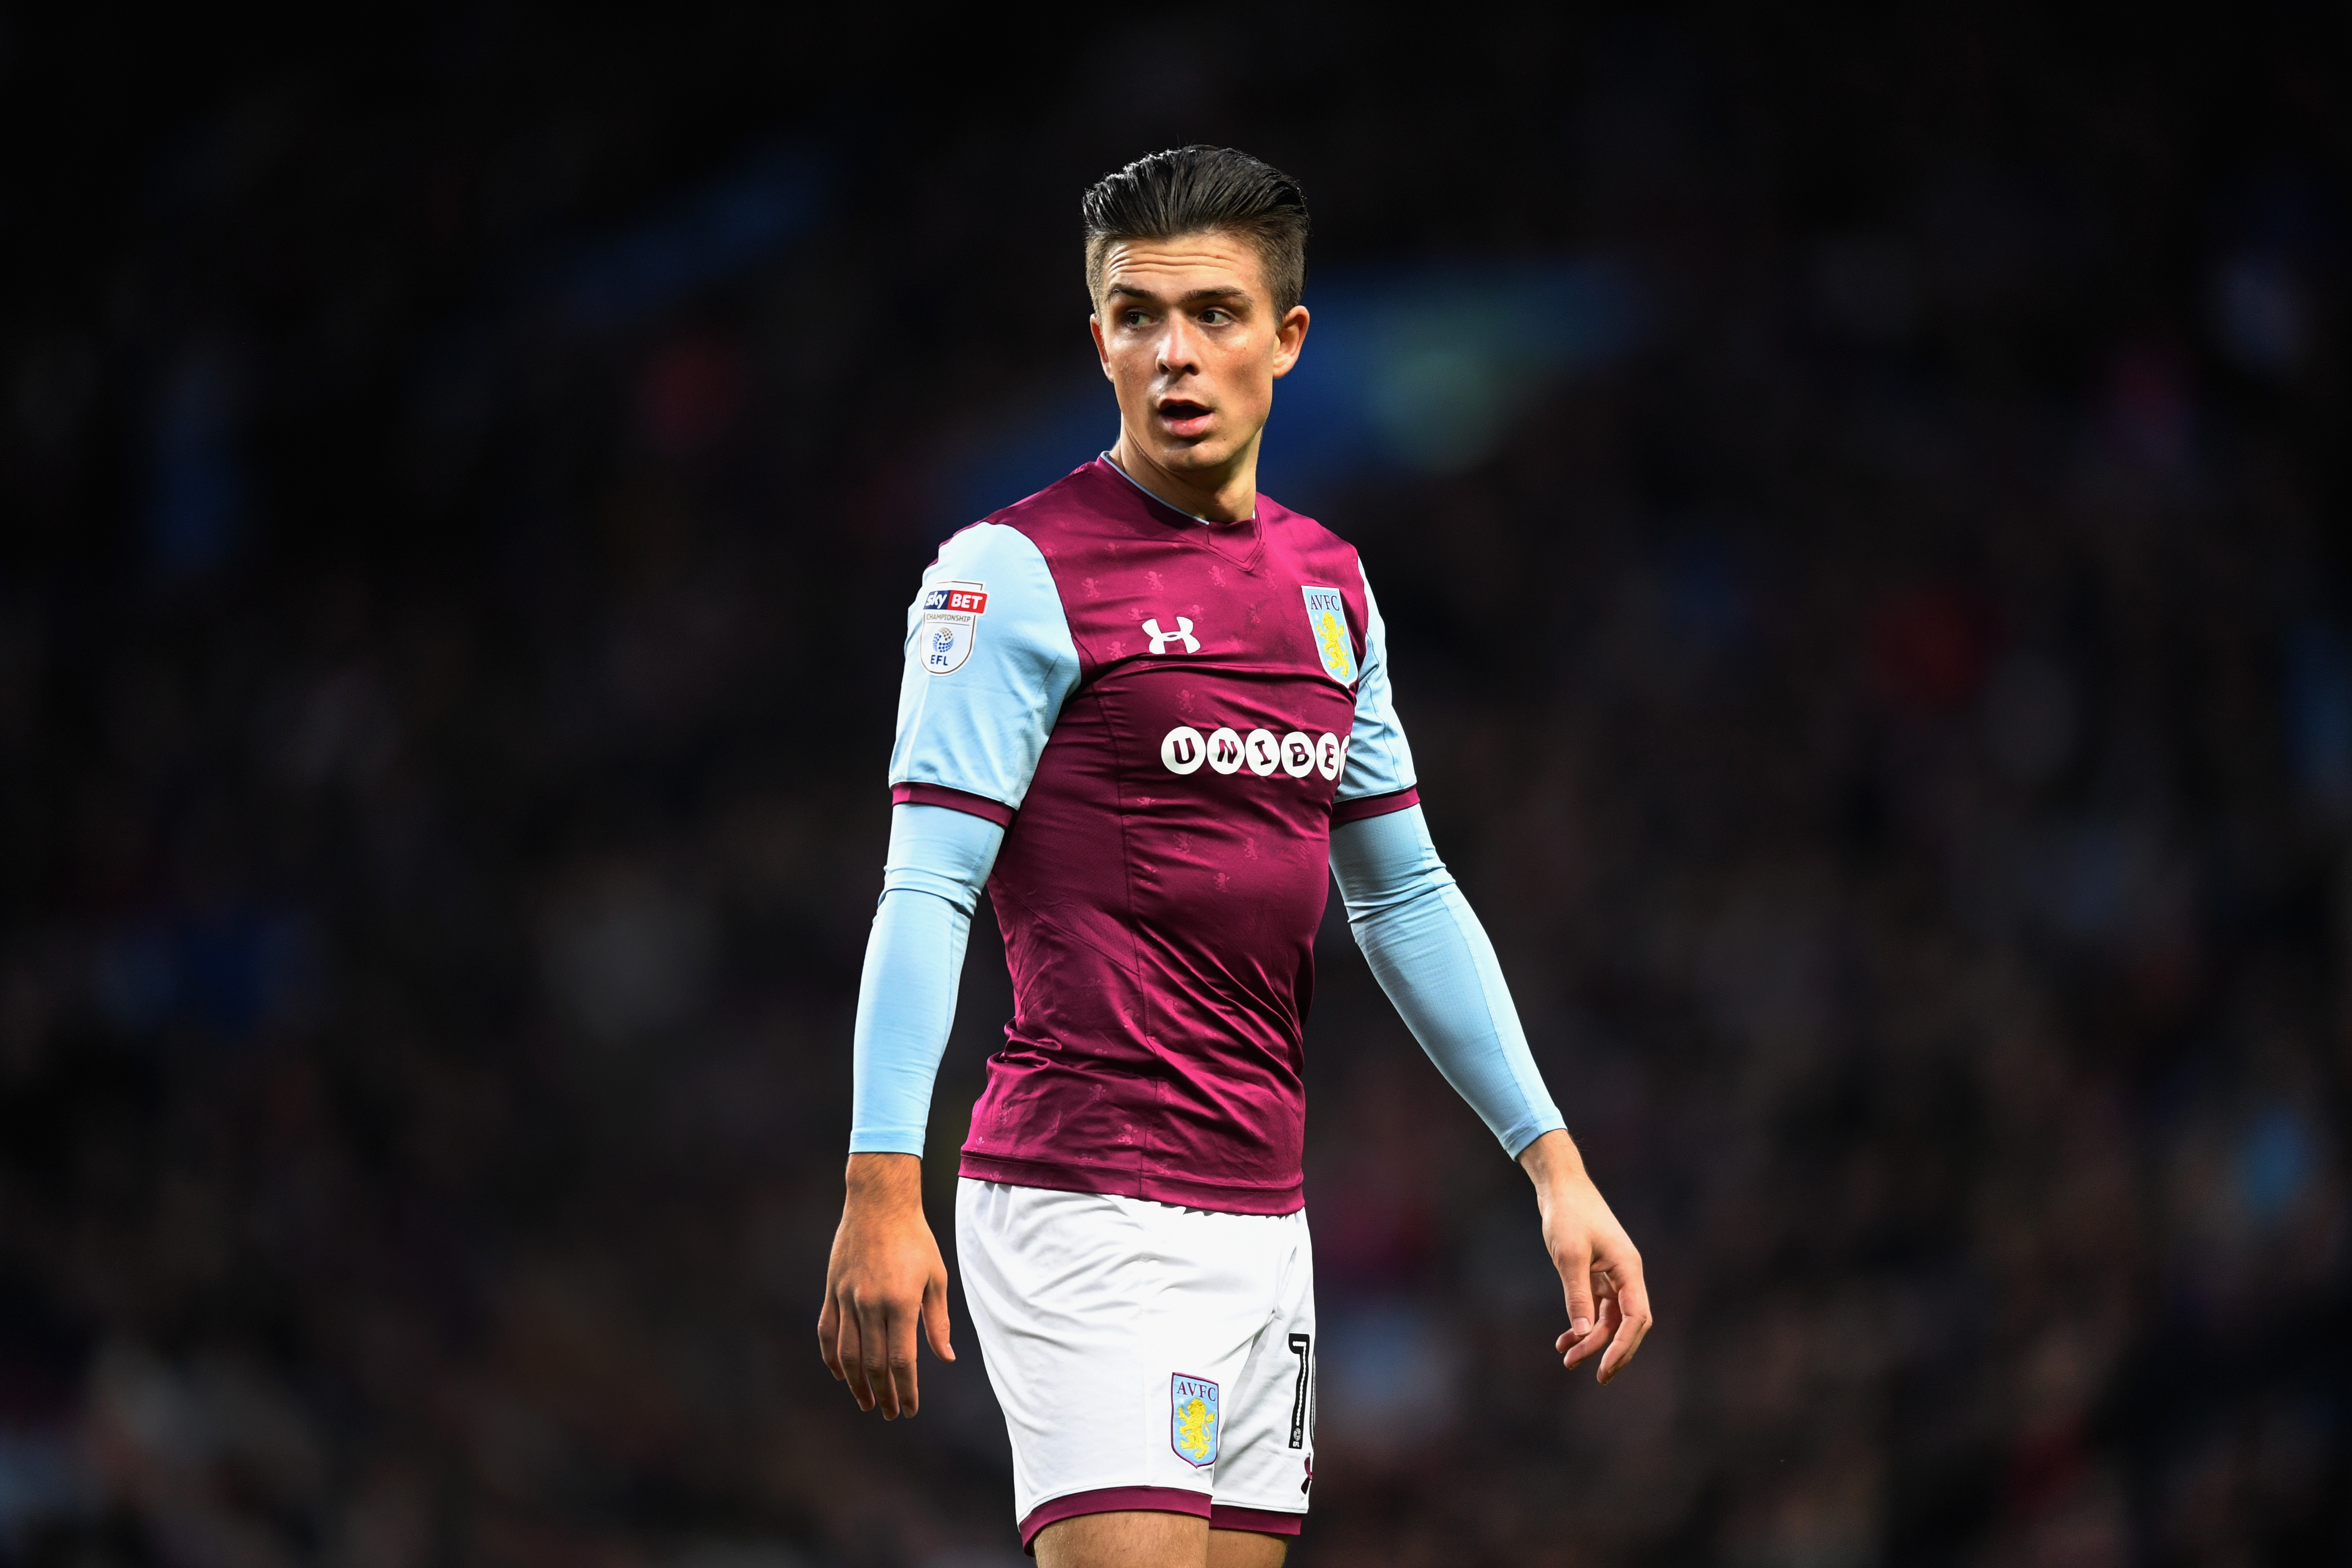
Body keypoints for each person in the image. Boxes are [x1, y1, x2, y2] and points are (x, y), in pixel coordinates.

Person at [817, 146, 1651, 1568]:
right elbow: (927, 885)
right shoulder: (1006, 576)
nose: (1175, 353)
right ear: (1100, 343)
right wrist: (880, 1188)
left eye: (1213, 313)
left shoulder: (1331, 589)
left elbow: (1404, 894)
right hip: (1087, 1197)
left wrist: (1555, 1165)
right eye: (1138, 317)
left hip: (1265, 1218)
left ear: (1288, 338)